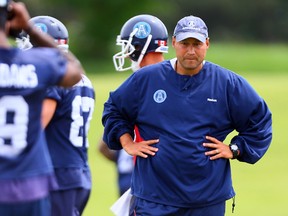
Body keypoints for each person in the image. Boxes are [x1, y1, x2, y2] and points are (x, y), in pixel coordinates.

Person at [102, 15, 272, 216]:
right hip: (154, 199)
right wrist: (126, 142)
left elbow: (259, 121)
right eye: (185, 43)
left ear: (207, 44)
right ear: (174, 43)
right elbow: (114, 109)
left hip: (207, 200)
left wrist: (234, 149)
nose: (191, 50)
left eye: (197, 44)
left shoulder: (227, 83)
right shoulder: (146, 79)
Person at [0, 1, 83, 216]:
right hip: (31, 187)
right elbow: (75, 71)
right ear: (9, 22)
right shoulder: (36, 64)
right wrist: (29, 28)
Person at [17, 16, 95, 216]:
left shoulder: (52, 79)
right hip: (77, 171)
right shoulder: (81, 77)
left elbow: (36, 125)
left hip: (57, 173)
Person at [98, 14, 168, 197]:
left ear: (140, 47)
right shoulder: (149, 81)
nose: (127, 53)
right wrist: (127, 143)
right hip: (157, 179)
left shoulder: (143, 84)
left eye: (129, 47)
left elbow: (103, 144)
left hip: (154, 182)